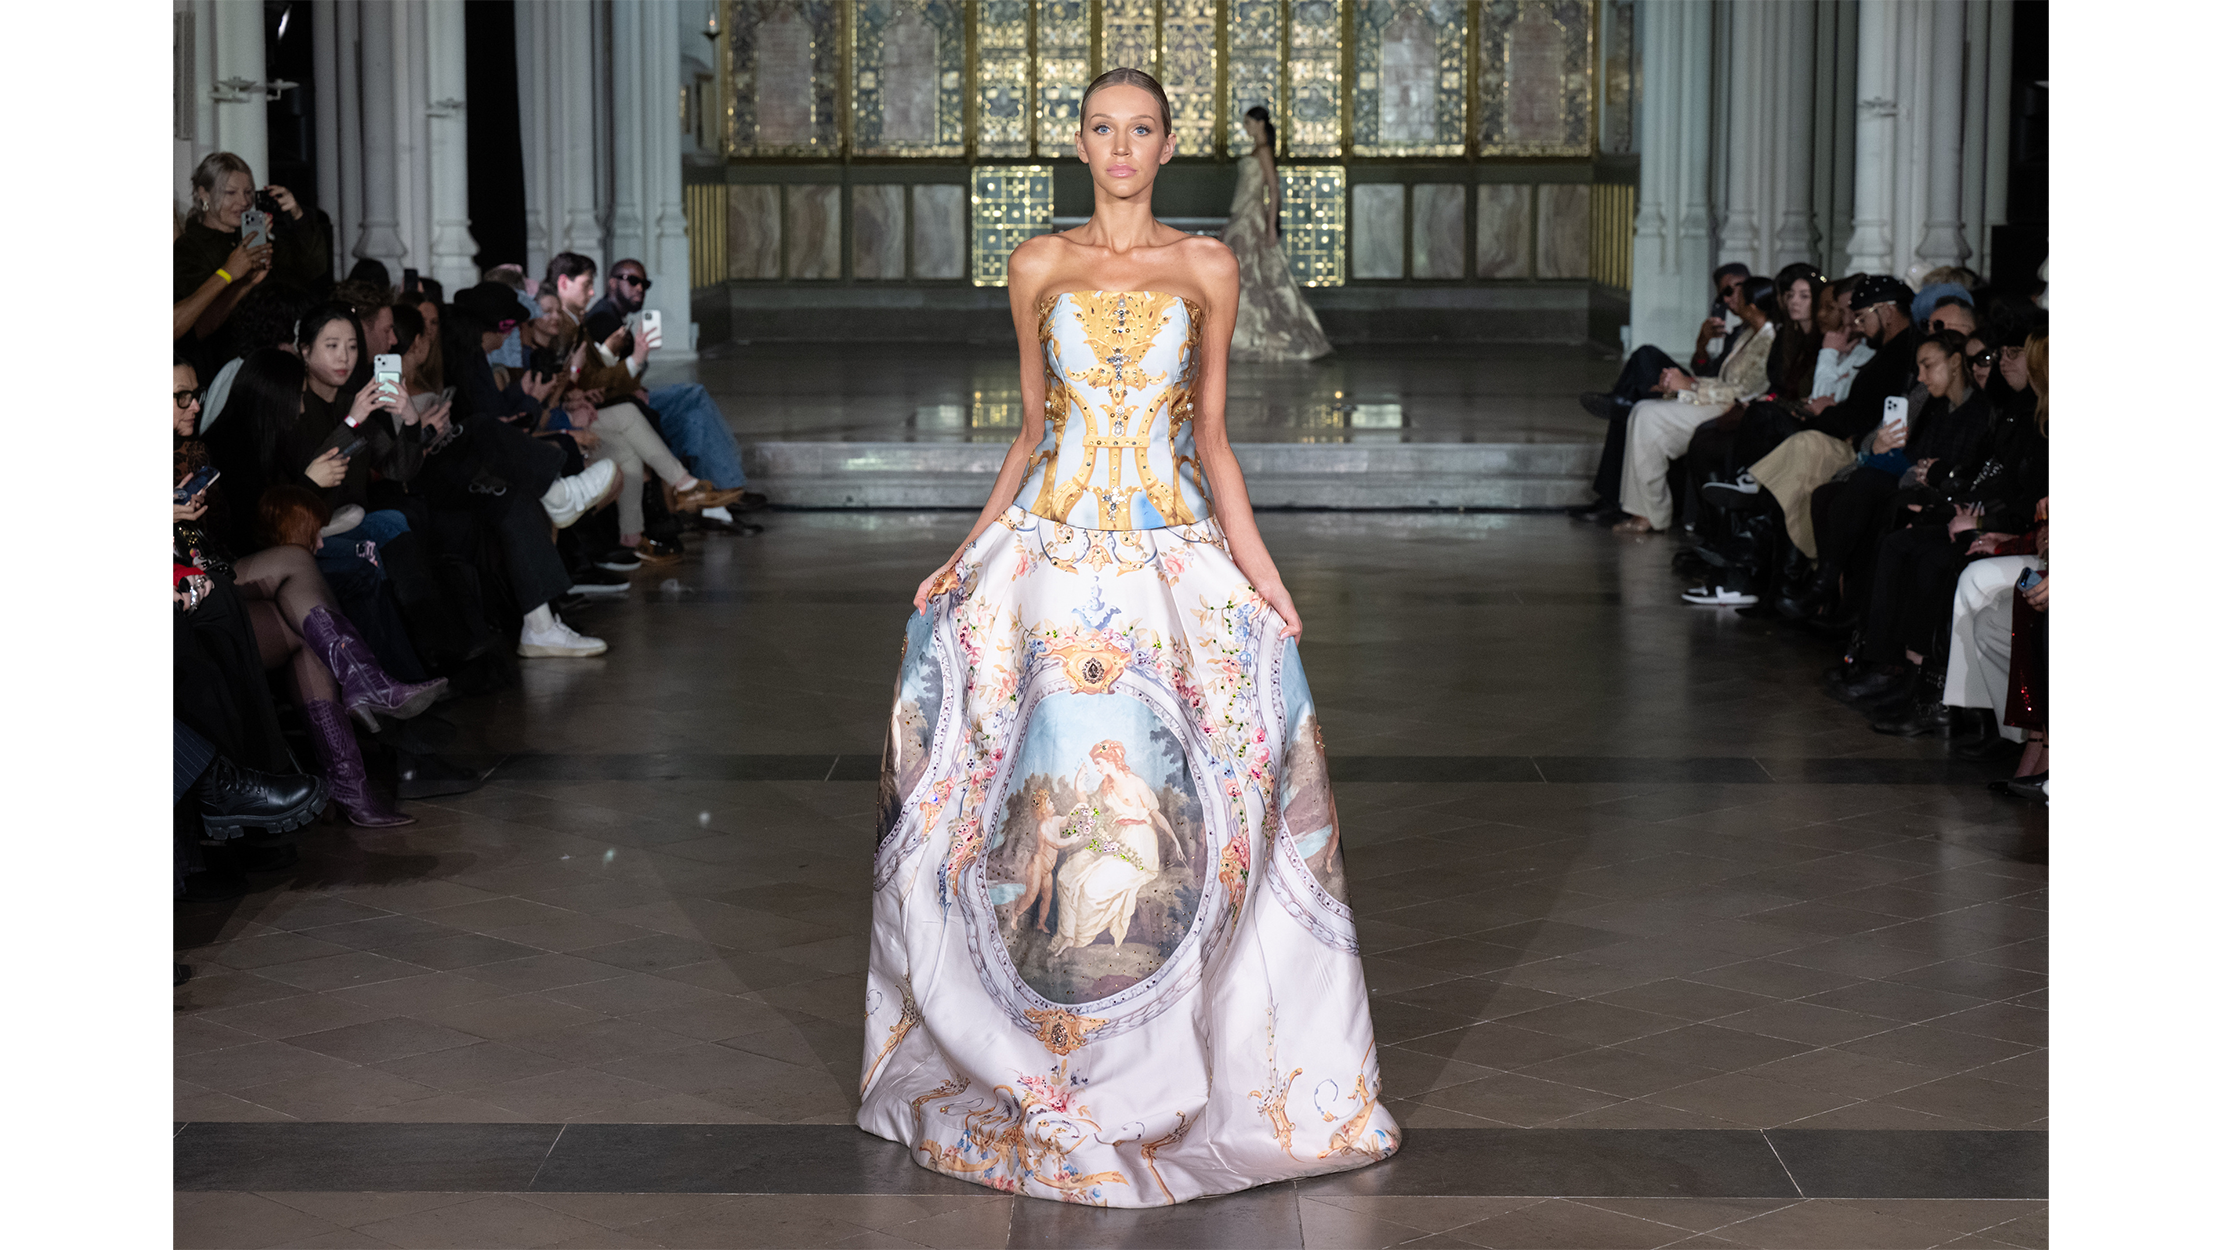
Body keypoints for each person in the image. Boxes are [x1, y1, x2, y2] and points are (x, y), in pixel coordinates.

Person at [858, 67, 1397, 1206]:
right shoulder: (1036, 264)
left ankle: (1171, 1055)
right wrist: (965, 550)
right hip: (1050, 559)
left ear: (1164, 146)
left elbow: (1211, 435)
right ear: (1079, 141)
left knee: (1216, 777)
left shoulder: (1206, 266)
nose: (1119, 147)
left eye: (1139, 129)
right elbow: (1031, 432)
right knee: (1010, 771)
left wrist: (1264, 577)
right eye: (1101, 128)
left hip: (1166, 554)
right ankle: (1038, 1047)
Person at [579, 257, 765, 514]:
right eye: (632, 281)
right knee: (694, 395)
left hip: (628, 399)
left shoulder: (614, 318)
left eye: (644, 283)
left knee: (694, 419)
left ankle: (718, 495)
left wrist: (634, 376)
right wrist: (633, 374)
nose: (639, 288)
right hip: (617, 405)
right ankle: (727, 487)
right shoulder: (602, 319)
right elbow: (598, 380)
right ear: (612, 283)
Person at [1612, 277, 1778, 536]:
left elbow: (1745, 392)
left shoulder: (1769, 339)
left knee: (1648, 416)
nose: (1732, 302)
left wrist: (1690, 388)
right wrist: (1687, 383)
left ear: (1753, 306)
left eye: (1739, 297)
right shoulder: (1748, 334)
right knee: (1642, 411)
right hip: (1718, 401)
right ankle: (1646, 511)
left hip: (1733, 410)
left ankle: (1649, 514)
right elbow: (1724, 379)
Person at [1221, 106, 1332, 362]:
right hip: (1241, 218)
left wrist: (1271, 226)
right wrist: (1231, 220)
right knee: (1242, 275)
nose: (1245, 127)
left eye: (1248, 122)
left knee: (1251, 275)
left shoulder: (1264, 150)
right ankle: (1242, 333)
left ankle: (1256, 334)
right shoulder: (1256, 150)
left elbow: (1273, 188)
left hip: (1252, 219)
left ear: (1260, 123)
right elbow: (1244, 189)